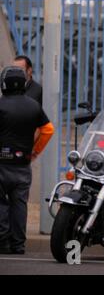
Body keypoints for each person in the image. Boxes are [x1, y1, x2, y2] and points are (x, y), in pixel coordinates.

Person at [0, 66, 54, 254]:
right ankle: (18, 245)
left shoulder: (0, 104)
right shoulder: (33, 106)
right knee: (19, 203)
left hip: (1, 163)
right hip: (23, 164)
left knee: (1, 203)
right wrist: (34, 151)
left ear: (3, 83)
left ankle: (3, 243)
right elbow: (49, 130)